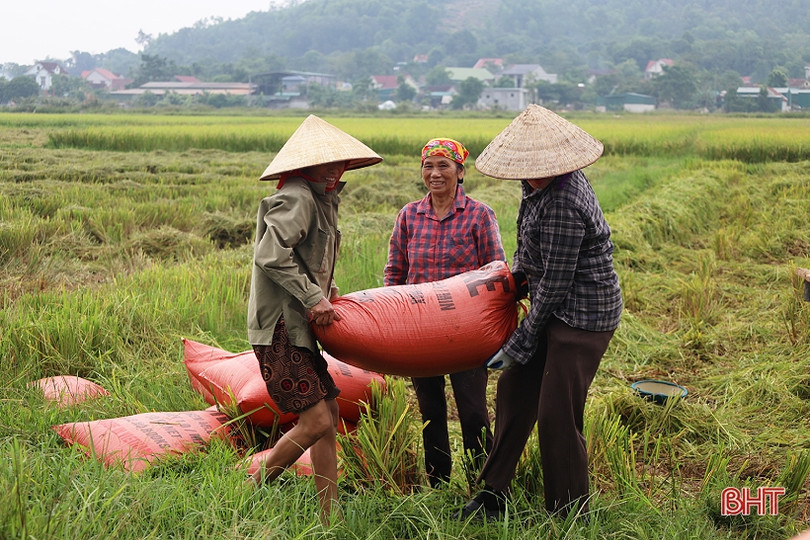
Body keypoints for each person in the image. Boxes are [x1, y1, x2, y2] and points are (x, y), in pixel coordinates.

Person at [455, 105, 623, 520]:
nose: (526, 173)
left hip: (583, 316)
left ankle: (569, 513)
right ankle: (493, 495)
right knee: (514, 392)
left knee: (556, 414)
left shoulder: (564, 199)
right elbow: (527, 250)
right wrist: (509, 282)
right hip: (552, 306)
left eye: (533, 166)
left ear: (554, 161)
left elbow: (556, 284)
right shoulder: (535, 187)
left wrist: (522, 338)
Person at [246, 115, 382, 522]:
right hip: (281, 327)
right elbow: (271, 255)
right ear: (305, 166)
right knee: (317, 419)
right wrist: (313, 297)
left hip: (297, 326)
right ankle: (248, 490)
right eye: (326, 164)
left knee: (330, 417)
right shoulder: (299, 196)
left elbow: (309, 256)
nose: (335, 170)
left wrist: (329, 286)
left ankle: (329, 516)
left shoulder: (321, 199)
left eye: (339, 163)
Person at [384, 138, 506, 488]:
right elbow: (395, 272)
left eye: (443, 166)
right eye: (428, 166)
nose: (434, 174)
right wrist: (391, 319)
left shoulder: (479, 215)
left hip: (465, 328)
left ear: (460, 172)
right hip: (420, 327)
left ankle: (483, 484)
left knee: (472, 408)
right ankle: (438, 481)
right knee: (430, 409)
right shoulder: (409, 214)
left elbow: (496, 271)